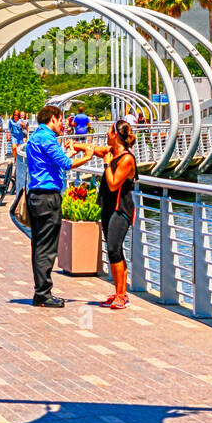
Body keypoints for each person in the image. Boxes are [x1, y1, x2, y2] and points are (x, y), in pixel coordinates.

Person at [23, 104, 94, 307]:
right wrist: (87, 156)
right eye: (61, 120)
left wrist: (68, 154)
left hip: (36, 196)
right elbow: (66, 165)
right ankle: (43, 295)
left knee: (38, 245)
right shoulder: (47, 138)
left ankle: (41, 293)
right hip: (47, 198)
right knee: (47, 248)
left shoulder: (36, 137)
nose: (62, 124)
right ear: (52, 118)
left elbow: (52, 162)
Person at [87, 120, 137, 309]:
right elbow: (94, 149)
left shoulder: (126, 159)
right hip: (108, 207)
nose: (106, 133)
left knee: (115, 249)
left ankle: (122, 295)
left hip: (121, 209)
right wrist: (73, 145)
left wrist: (107, 165)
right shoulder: (112, 152)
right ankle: (119, 292)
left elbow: (114, 183)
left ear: (115, 134)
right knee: (114, 250)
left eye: (109, 130)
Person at [8, 109, 29, 194]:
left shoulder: (21, 120)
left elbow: (25, 127)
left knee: (20, 150)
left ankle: (17, 159)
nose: (16, 116)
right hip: (14, 136)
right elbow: (9, 129)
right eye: (15, 115)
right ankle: (15, 158)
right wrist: (8, 135)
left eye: (17, 115)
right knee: (13, 147)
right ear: (13, 115)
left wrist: (22, 124)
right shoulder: (10, 121)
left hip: (20, 137)